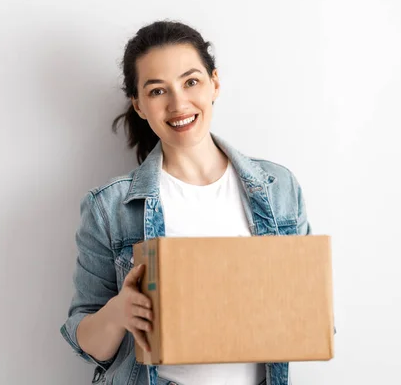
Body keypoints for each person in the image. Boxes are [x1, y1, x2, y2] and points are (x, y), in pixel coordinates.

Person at [60, 20, 310, 385]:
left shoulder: (279, 187)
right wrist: (119, 313)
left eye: (191, 82)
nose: (178, 104)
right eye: (158, 90)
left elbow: (302, 306)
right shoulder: (109, 206)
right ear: (140, 105)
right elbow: (87, 345)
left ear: (215, 84)